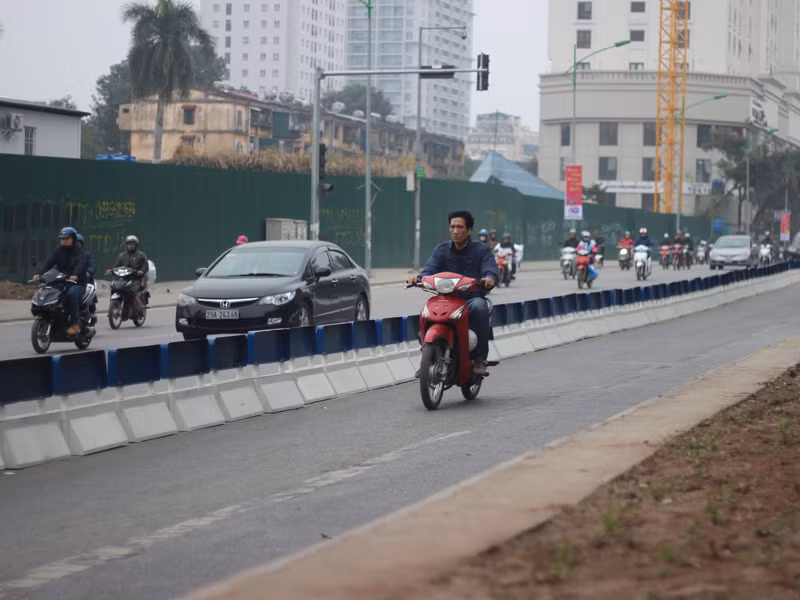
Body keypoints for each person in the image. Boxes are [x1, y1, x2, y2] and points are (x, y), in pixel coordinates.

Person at [408, 210, 498, 376]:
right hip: (446, 299)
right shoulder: (441, 250)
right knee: (423, 313)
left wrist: (489, 279)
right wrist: (418, 278)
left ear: (469, 230)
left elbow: (490, 270)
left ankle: (479, 359)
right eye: (452, 227)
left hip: (470, 300)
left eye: (459, 227)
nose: (455, 231)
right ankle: (428, 356)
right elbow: (429, 269)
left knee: (480, 306)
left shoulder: (482, 250)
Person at [33, 227, 87, 336]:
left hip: (78, 283)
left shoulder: (79, 251)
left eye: (67, 238)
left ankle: (75, 324)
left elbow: (80, 264)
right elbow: (48, 263)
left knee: (71, 295)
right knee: (49, 292)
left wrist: (75, 275)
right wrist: (39, 273)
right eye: (62, 239)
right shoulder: (58, 251)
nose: (64, 241)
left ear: (74, 238)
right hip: (62, 281)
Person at [107, 235, 149, 315]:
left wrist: (141, 271)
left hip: (135, 279)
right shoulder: (122, 255)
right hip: (122, 279)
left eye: (133, 244)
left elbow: (145, 265)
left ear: (136, 245)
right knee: (114, 287)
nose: (131, 245)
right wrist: (111, 269)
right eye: (129, 244)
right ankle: (113, 307)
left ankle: (139, 309)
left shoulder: (141, 255)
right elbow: (116, 265)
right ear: (126, 245)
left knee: (132, 291)